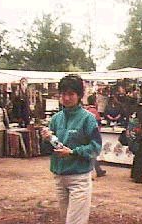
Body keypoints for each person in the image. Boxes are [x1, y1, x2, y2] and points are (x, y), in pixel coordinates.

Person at [41, 74, 102, 224]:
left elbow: (96, 148)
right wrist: (46, 139)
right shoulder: (56, 119)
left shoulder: (88, 119)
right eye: (63, 94)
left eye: (71, 94)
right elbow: (47, 149)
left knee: (75, 221)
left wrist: (73, 152)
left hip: (79, 178)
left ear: (79, 96)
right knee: (65, 219)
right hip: (59, 176)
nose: (66, 98)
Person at [85, 94, 107, 178]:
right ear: (95, 102)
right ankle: (90, 173)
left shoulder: (86, 110)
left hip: (85, 134)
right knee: (91, 154)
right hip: (92, 135)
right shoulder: (94, 111)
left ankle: (98, 170)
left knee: (91, 154)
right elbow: (97, 124)